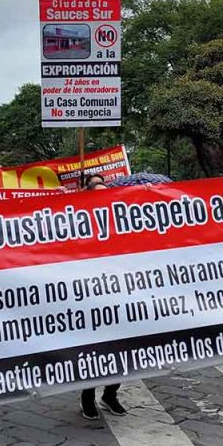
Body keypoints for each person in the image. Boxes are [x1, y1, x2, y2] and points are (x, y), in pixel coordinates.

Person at [80, 176, 127, 420]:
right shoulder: (78, 225)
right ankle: (87, 397)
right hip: (91, 299)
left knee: (121, 351)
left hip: (119, 297)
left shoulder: (120, 223)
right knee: (93, 352)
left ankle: (111, 394)